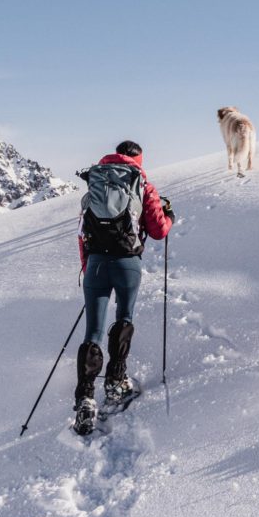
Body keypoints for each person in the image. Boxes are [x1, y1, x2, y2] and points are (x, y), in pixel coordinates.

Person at [73, 140, 174, 434]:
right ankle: (116, 382)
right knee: (124, 318)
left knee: (92, 331)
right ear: (138, 160)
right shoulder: (142, 184)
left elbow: (82, 233)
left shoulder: (95, 183)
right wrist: (169, 216)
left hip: (96, 265)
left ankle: (85, 400)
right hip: (127, 263)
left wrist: (88, 267)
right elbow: (158, 230)